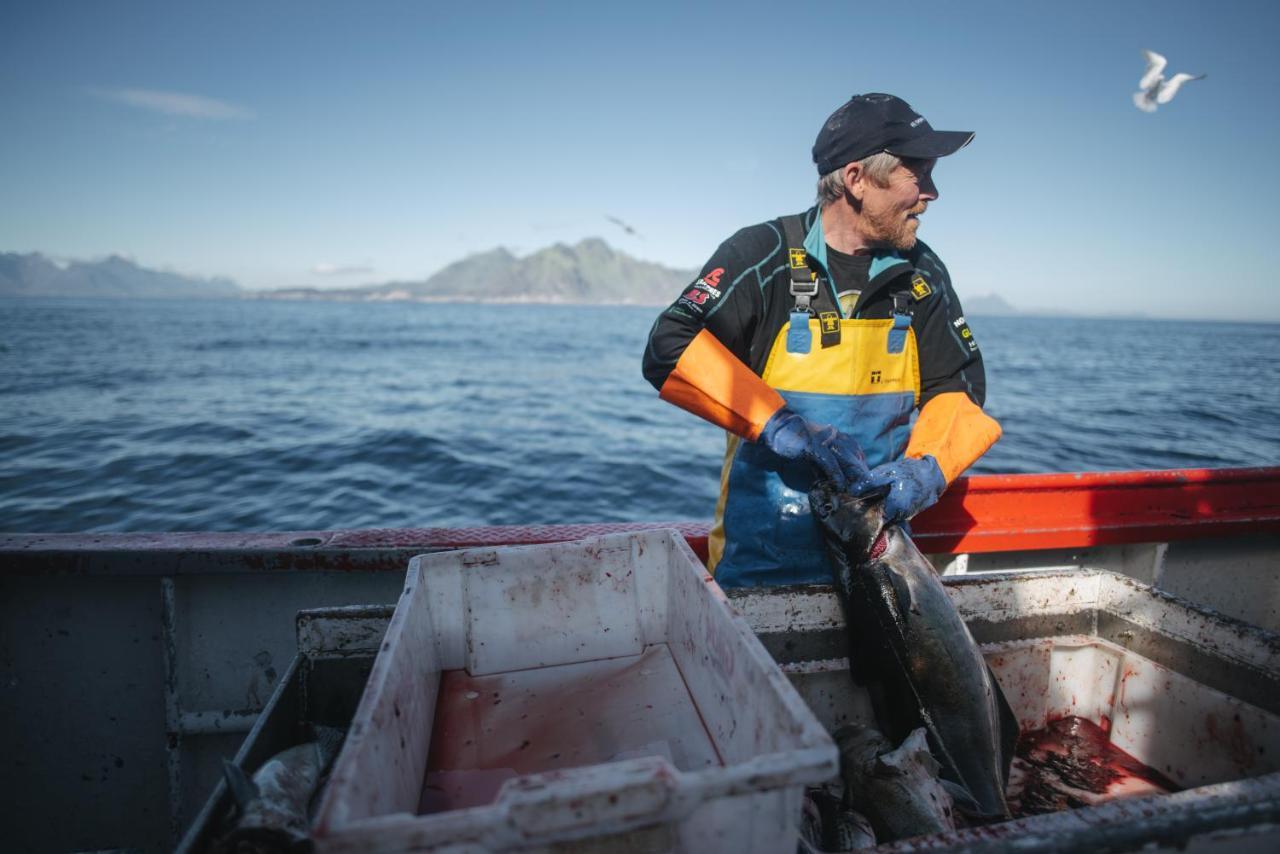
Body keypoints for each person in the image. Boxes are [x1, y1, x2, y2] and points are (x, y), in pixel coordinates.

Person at [642, 93, 1001, 588]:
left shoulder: (922, 273)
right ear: (856, 179)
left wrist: (927, 471)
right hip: (759, 565)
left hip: (879, 561)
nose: (932, 193)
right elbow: (670, 346)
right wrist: (781, 426)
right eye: (919, 174)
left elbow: (957, 389)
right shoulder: (762, 255)